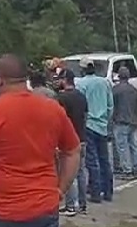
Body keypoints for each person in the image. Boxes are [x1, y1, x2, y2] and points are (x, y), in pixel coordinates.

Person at [0, 54, 81, 227]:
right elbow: (72, 151)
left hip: (2, 211)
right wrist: (60, 190)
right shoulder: (52, 109)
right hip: (44, 207)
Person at [76, 56, 114, 202]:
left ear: (83, 69)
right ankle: (108, 191)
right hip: (102, 125)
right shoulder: (105, 83)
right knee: (104, 159)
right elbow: (110, 105)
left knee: (92, 161)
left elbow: (82, 107)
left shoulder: (81, 84)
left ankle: (96, 192)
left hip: (89, 124)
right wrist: (107, 120)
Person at [56, 69, 89, 216]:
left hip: (68, 141)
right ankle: (82, 204)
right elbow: (86, 115)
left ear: (65, 80)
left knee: (69, 172)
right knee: (81, 172)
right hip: (82, 137)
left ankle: (71, 205)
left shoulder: (62, 98)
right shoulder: (81, 96)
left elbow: (59, 120)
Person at [112, 66, 137, 179]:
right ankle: (135, 166)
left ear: (119, 76)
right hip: (133, 121)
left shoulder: (115, 90)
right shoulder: (133, 89)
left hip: (120, 121)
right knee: (133, 145)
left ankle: (127, 170)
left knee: (122, 147)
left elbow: (112, 106)